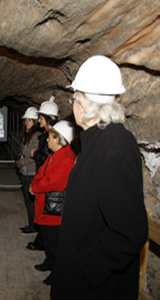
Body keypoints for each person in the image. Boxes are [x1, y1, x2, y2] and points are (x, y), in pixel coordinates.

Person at [51, 55, 148, 300]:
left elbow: (130, 232)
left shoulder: (114, 147)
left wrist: (82, 264)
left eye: (74, 98)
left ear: (82, 106)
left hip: (94, 287)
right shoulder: (98, 142)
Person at [29, 120, 76, 286]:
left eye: (50, 137)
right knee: (48, 240)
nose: (47, 140)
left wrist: (35, 188)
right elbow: (41, 172)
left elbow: (53, 182)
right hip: (46, 206)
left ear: (59, 139)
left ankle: (58, 273)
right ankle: (49, 262)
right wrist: (35, 183)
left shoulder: (67, 159)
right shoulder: (54, 154)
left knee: (55, 243)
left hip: (55, 211)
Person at [26, 97, 59, 251]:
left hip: (47, 182)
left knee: (45, 216)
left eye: (40, 118)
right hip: (42, 177)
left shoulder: (49, 136)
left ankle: (42, 244)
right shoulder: (45, 134)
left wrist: (36, 154)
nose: (38, 121)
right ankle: (40, 241)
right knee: (42, 214)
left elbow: (47, 159)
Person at [16, 107, 40, 235]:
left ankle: (33, 226)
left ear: (35, 122)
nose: (27, 122)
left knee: (31, 202)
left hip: (31, 173)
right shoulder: (27, 134)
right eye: (26, 120)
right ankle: (32, 224)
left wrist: (20, 163)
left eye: (29, 120)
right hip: (26, 172)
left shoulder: (35, 136)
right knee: (28, 201)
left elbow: (32, 157)